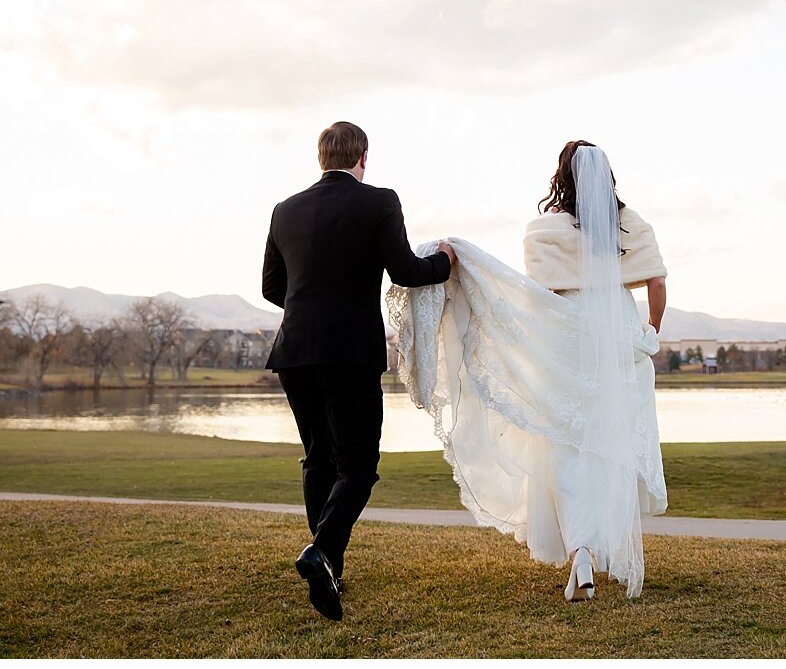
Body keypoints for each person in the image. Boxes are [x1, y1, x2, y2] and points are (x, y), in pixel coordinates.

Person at [389, 140, 668, 601]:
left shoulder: (544, 231)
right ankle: (602, 548)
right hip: (616, 333)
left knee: (564, 441)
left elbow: (541, 296)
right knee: (606, 440)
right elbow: (657, 280)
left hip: (566, 336)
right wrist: (650, 329)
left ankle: (580, 553)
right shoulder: (630, 225)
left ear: (561, 177)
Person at [262, 121, 454, 621]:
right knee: (360, 466)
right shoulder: (379, 201)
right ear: (363, 157)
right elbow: (407, 272)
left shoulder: (285, 210)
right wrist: (446, 263)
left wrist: (310, 304)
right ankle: (321, 553)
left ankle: (330, 567)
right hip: (349, 351)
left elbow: (270, 287)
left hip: (295, 351)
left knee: (318, 461)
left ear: (320, 158)